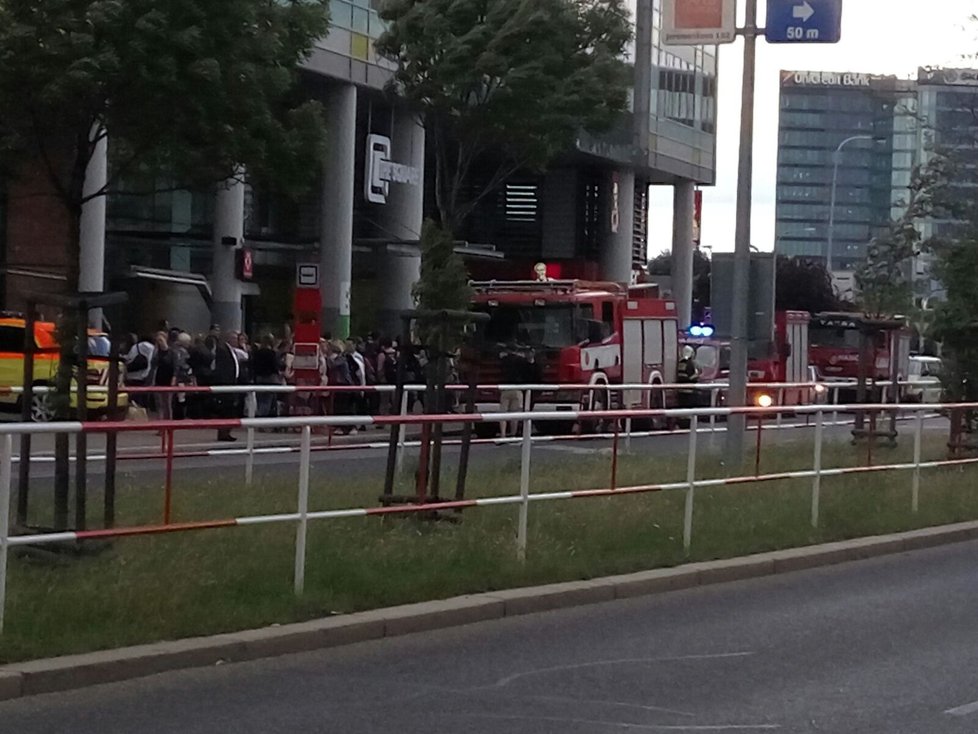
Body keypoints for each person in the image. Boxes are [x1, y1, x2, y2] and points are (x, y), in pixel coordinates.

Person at [498, 344, 541, 439]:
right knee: (515, 414)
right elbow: (529, 368)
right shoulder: (521, 361)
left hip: (505, 388)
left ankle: (503, 434)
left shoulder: (504, 360)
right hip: (517, 389)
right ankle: (513, 434)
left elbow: (501, 370)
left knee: (503, 413)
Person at [124, 333, 156, 408]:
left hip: (132, 376)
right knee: (142, 399)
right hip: (144, 376)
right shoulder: (151, 347)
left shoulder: (135, 347)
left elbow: (129, 359)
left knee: (132, 398)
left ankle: (133, 413)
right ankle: (142, 413)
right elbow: (152, 361)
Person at [152, 331, 176, 421]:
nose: (159, 343)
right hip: (158, 379)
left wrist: (174, 378)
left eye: (161, 340)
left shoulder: (172, 352)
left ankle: (169, 424)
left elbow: (175, 366)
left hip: (168, 380)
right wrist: (155, 350)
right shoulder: (157, 353)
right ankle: (160, 427)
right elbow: (153, 364)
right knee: (159, 404)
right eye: (157, 341)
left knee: (167, 404)